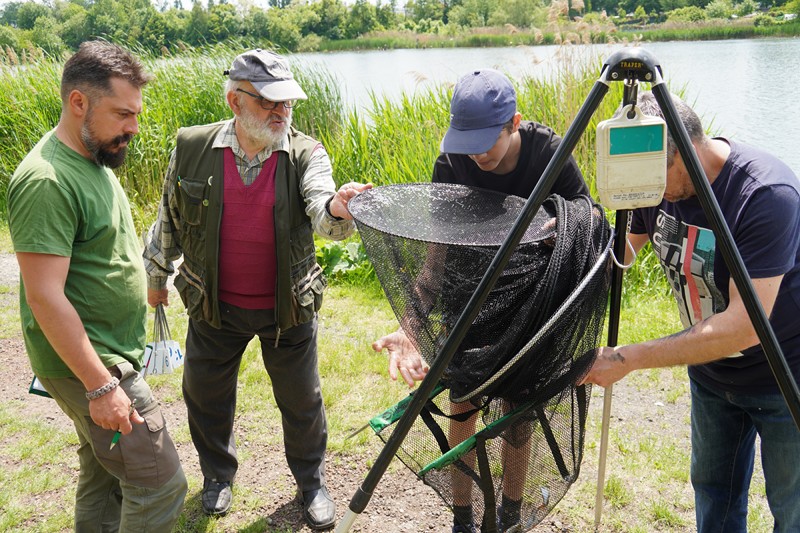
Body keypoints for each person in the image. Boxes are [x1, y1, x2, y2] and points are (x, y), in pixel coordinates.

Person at [142, 48, 371, 529]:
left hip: (287, 309)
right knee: (204, 395)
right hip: (213, 304)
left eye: (287, 102)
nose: (281, 111)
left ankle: (311, 485)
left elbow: (323, 212)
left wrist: (339, 208)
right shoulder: (191, 146)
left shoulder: (307, 154)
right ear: (235, 101)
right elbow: (169, 217)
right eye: (269, 102)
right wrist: (157, 277)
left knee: (302, 401)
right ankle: (217, 476)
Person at [372, 69, 589, 533]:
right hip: (468, 298)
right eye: (466, 142)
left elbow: (588, 218)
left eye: (485, 142)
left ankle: (510, 513)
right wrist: (411, 326)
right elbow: (437, 256)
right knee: (463, 405)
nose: (475, 154)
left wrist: (561, 230)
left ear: (515, 123)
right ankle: (462, 518)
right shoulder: (451, 161)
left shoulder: (550, 153)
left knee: (517, 413)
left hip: (530, 302)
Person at [581, 91, 800, 532]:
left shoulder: (764, 194)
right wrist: (571, 245)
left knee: (791, 510)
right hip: (711, 376)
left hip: (784, 378)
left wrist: (628, 358)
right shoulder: (653, 182)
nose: (651, 194)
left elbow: (744, 328)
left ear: (683, 150)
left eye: (657, 178)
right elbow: (620, 255)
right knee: (715, 500)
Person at [7, 41, 187, 532]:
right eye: (122, 114)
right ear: (78, 102)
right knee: (160, 485)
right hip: (97, 366)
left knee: (104, 476)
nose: (134, 127)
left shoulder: (94, 156)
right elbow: (44, 295)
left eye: (136, 114)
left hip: (107, 356)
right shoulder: (47, 180)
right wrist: (102, 386)